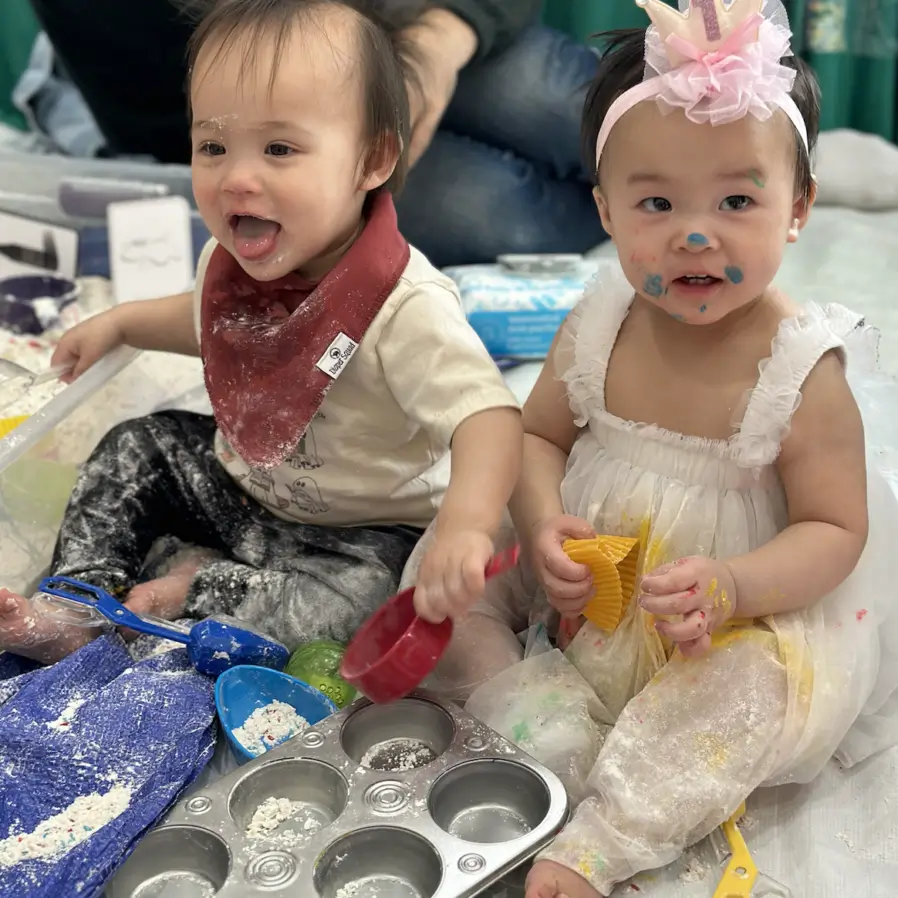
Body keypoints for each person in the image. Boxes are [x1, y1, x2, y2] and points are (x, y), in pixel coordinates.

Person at [406, 1, 898, 896]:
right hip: (595, 573)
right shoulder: (599, 323)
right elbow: (538, 435)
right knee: (445, 578)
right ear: (604, 208)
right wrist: (546, 522)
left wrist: (736, 585)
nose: (696, 232)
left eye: (737, 200)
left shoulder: (800, 368)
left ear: (798, 209)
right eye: (657, 202)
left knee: (756, 689)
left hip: (728, 607)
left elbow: (834, 528)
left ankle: (613, 824)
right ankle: (549, 729)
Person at [0, 0, 523, 664]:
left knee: (363, 599)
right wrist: (123, 322)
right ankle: (77, 601)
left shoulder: (403, 304)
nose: (238, 178)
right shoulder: (231, 264)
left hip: (359, 531)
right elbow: (207, 323)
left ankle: (196, 589)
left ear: (371, 159)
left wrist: (466, 526)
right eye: (213, 146)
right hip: (238, 488)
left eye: (279, 148)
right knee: (139, 445)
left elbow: (489, 419)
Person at [26, 0, 605, 266]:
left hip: (412, 23)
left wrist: (442, 38)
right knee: (492, 213)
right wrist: (291, 139)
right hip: (278, 102)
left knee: (562, 104)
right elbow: (161, 121)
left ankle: (675, 178)